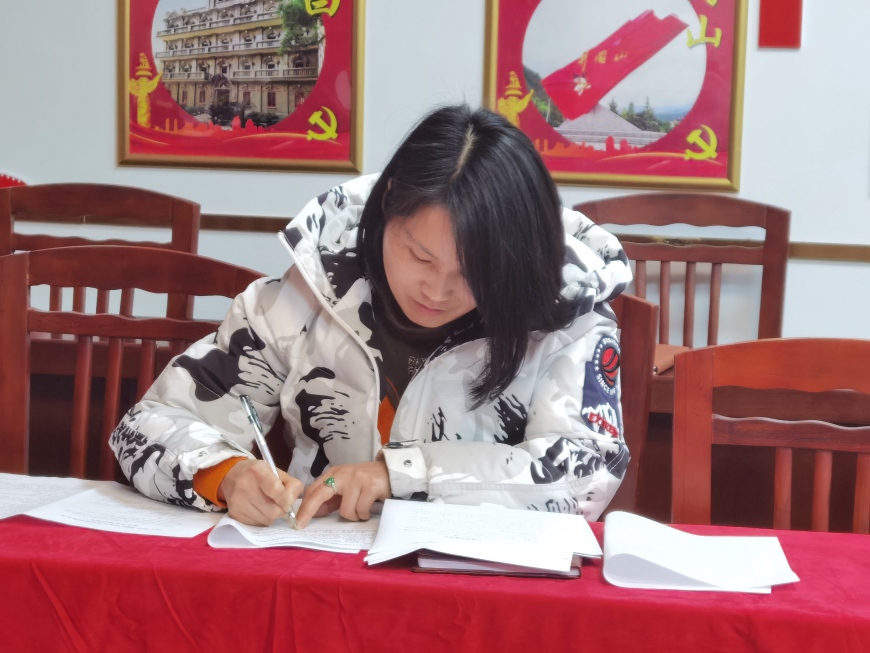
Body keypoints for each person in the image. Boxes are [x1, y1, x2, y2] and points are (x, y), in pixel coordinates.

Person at [110, 104, 632, 528]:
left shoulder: (566, 316)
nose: (437, 290)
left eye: (476, 273)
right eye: (420, 256)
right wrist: (223, 474)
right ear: (388, 206)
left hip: (487, 592)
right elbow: (148, 425)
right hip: (320, 573)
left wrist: (399, 474)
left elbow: (587, 475)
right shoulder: (311, 293)